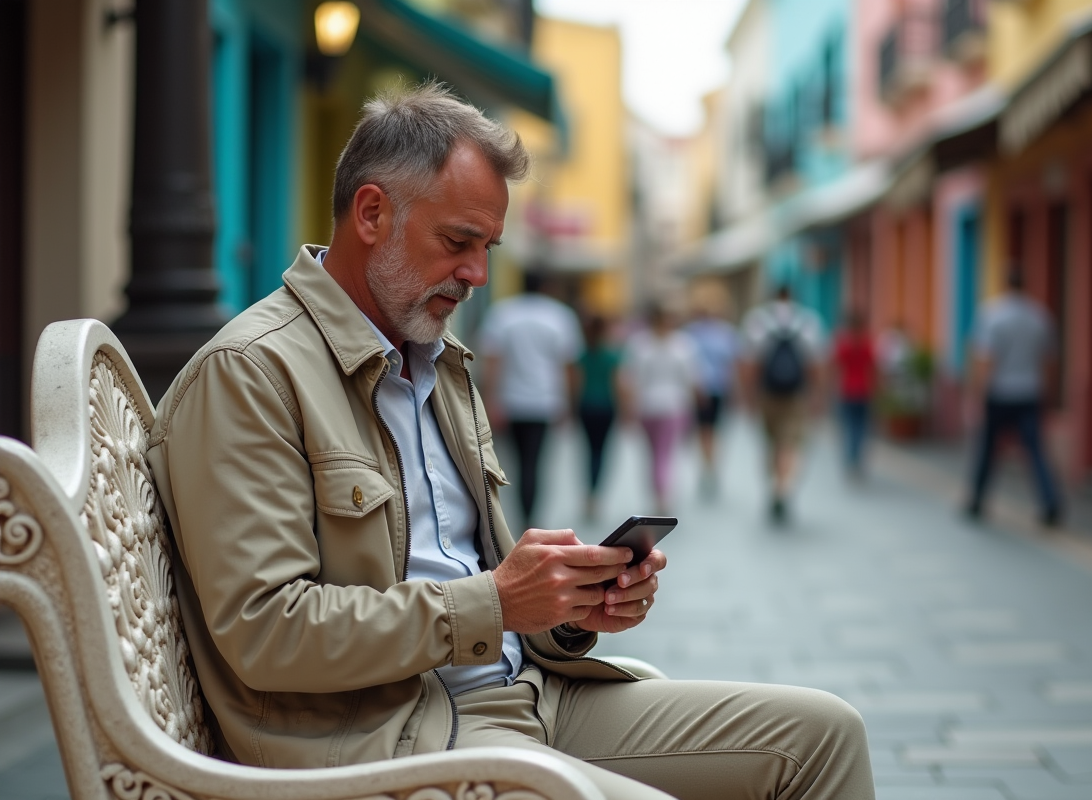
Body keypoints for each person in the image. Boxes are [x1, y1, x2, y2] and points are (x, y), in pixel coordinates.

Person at [146, 83, 874, 800]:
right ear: (371, 213)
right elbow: (267, 631)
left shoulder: (439, 360)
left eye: (488, 246)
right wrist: (493, 603)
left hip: (533, 695)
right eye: (458, 242)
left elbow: (475, 575)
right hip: (397, 735)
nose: (477, 274)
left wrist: (564, 605)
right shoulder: (250, 373)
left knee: (825, 735)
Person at [478, 270, 582, 527]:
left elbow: (492, 361)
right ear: (546, 286)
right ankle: (530, 516)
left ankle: (520, 514)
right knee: (534, 463)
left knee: (513, 463)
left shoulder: (503, 313)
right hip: (545, 402)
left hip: (511, 402)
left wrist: (491, 400)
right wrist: (568, 403)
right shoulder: (560, 316)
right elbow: (569, 365)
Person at [965, 268, 1063, 527]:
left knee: (987, 449)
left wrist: (978, 393)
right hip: (1029, 391)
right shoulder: (1040, 316)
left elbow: (986, 359)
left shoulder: (992, 315)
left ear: (1005, 285)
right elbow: (1049, 360)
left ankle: (977, 500)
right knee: (1035, 451)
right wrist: (1045, 389)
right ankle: (1050, 503)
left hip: (999, 392)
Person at [741, 285, 824, 524]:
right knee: (792, 443)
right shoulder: (808, 321)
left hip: (768, 394)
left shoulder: (758, 320)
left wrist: (748, 396)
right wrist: (818, 395)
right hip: (796, 395)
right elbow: (815, 364)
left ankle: (775, 486)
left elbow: (750, 364)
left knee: (772, 443)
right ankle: (783, 489)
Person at [619, 303, 700, 516]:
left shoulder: (639, 344)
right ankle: (662, 494)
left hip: (647, 406)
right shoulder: (683, 345)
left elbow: (629, 378)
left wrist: (628, 407)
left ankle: (658, 492)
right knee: (664, 453)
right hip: (673, 406)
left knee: (653, 454)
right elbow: (690, 379)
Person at [683, 281, 741, 495]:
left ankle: (708, 466)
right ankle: (710, 466)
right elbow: (732, 364)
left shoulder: (692, 332)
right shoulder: (725, 332)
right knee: (710, 431)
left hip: (706, 389)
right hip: (712, 389)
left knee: (706, 431)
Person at [575, 315, 621, 519]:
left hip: (586, 406)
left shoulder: (582, 354)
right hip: (605, 407)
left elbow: (576, 383)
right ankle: (595, 494)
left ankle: (589, 493)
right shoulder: (611, 355)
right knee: (600, 451)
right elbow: (617, 384)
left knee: (588, 450)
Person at [832, 309, 876, 478]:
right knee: (861, 427)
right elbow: (874, 367)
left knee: (849, 426)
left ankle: (851, 457)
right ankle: (856, 457)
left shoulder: (844, 342)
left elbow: (835, 366)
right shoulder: (867, 342)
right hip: (864, 390)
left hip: (847, 390)